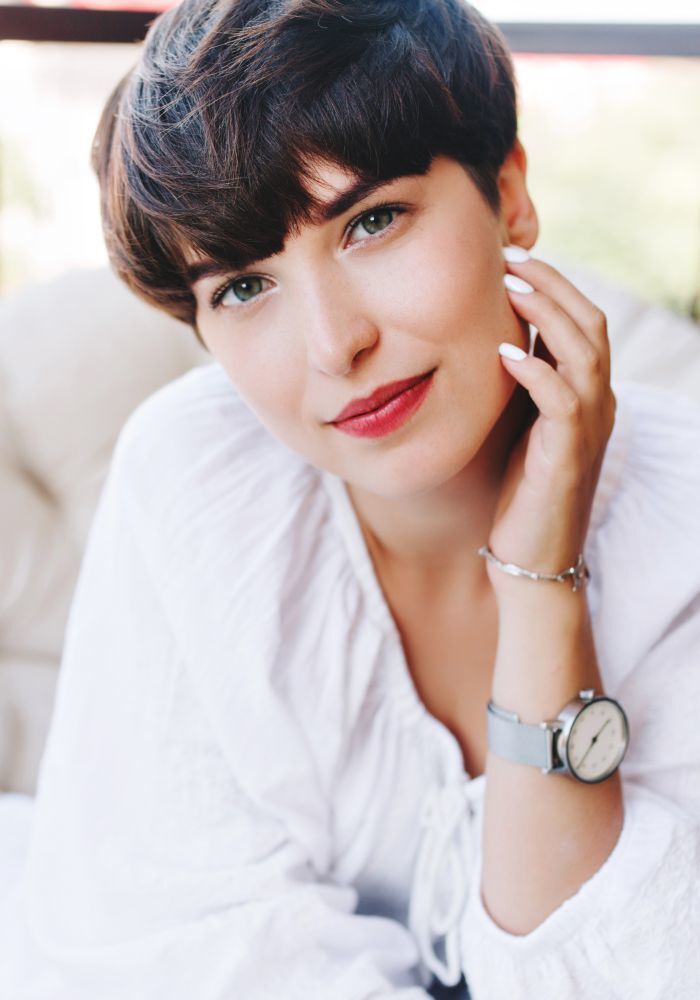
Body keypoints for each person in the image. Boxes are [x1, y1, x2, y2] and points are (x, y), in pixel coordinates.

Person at [1, 1, 699, 997]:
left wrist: (543, 584)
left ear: (509, 195)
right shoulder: (197, 483)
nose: (334, 345)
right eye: (244, 286)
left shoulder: (684, 534)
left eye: (371, 221)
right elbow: (184, 955)